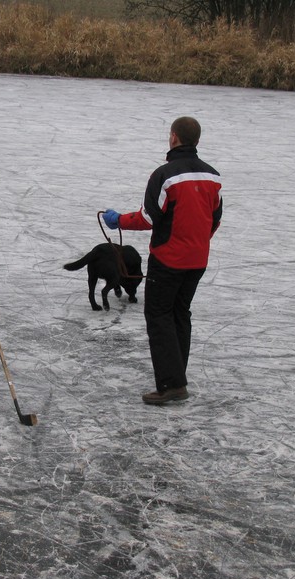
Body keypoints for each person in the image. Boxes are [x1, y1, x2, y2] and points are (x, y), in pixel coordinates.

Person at [102, 116, 222, 405]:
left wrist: (118, 220)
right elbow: (214, 219)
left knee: (159, 316)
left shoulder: (165, 175)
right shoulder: (213, 177)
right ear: (197, 140)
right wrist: (198, 244)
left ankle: (171, 384)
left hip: (168, 259)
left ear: (173, 138)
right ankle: (177, 377)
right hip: (197, 260)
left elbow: (147, 218)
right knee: (180, 314)